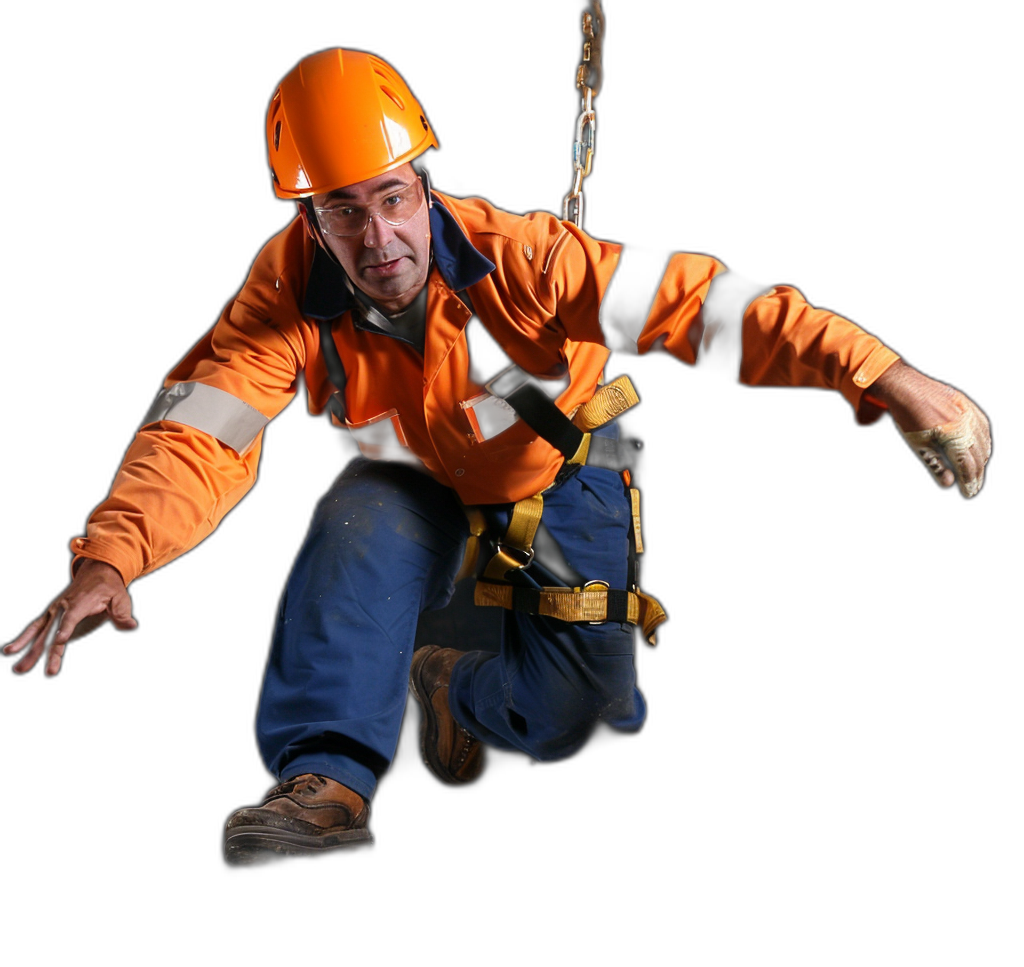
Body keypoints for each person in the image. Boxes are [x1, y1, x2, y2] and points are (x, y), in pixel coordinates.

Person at [4, 49, 991, 866]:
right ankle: (327, 783)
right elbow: (200, 429)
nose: (375, 233)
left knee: (592, 718)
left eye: (390, 197)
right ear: (305, 217)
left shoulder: (526, 260)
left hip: (561, 475)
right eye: (341, 209)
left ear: (423, 183)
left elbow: (707, 306)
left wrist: (886, 375)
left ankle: (452, 687)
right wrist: (113, 556)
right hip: (413, 485)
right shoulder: (286, 289)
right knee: (353, 521)